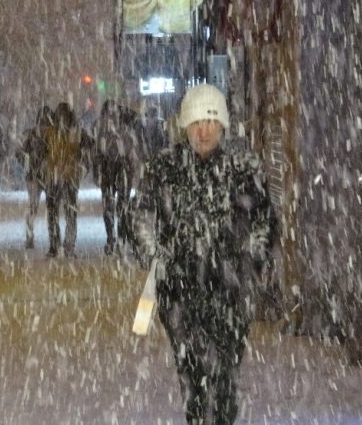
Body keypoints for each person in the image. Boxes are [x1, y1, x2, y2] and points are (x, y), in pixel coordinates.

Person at [128, 84, 277, 424]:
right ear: (185, 126)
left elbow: (265, 222)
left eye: (211, 121)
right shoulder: (164, 169)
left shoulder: (244, 169)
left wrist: (252, 260)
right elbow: (140, 218)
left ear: (223, 125)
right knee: (192, 378)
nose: (204, 130)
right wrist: (156, 258)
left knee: (225, 379)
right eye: (197, 122)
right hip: (179, 293)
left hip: (232, 292)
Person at [93, 99, 138, 255]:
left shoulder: (124, 131)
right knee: (110, 208)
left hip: (121, 173)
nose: (110, 117)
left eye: (113, 113)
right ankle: (113, 238)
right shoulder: (103, 132)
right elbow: (97, 155)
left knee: (121, 208)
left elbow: (132, 154)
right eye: (108, 114)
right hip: (110, 173)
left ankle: (119, 238)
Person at [44, 102, 89, 258]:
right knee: (53, 213)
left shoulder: (76, 134)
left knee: (69, 213)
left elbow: (87, 150)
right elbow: (43, 152)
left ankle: (68, 245)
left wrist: (80, 165)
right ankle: (55, 245)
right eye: (60, 117)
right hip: (54, 177)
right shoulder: (50, 133)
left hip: (68, 177)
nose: (62, 120)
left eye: (64, 117)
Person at [20, 105, 52, 249]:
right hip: (46, 176)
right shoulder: (52, 135)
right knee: (51, 207)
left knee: (33, 207)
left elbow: (23, 154)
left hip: (34, 176)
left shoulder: (32, 135)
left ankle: (29, 236)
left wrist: (28, 172)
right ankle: (52, 238)